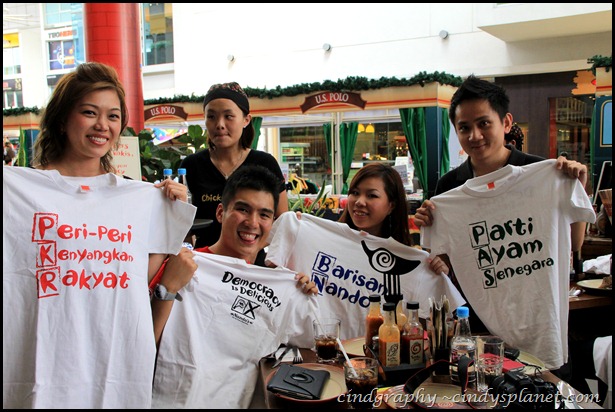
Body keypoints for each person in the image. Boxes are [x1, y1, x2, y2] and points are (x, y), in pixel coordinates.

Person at [3, 62, 196, 409]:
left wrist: (170, 213)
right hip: (39, 365)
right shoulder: (18, 193)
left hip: (112, 369)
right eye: (89, 112)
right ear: (62, 119)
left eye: (113, 116)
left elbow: (135, 279)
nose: (102, 126)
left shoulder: (138, 199)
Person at [414, 75, 594, 371]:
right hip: (479, 325)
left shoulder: (542, 173)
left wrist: (576, 188)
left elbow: (574, 244)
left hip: (541, 322)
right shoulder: (449, 187)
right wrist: (430, 227)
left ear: (506, 123)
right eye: (464, 127)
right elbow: (447, 263)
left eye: (484, 123)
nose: (475, 136)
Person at [150, 164, 316, 409]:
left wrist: (301, 295)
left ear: (272, 224)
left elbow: (312, 348)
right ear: (220, 212)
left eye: (264, 215)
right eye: (242, 209)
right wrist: (168, 289)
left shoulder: (279, 286)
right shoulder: (183, 264)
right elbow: (139, 347)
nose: (252, 222)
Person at [265, 163, 465, 339]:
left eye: (372, 195)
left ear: (391, 205)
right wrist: (294, 283)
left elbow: (431, 327)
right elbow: (271, 286)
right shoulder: (306, 233)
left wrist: (438, 273)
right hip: (316, 351)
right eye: (354, 192)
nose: (360, 201)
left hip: (376, 358)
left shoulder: (411, 264)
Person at [179, 82, 289, 261]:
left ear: (246, 120)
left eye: (228, 116)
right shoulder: (191, 166)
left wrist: (251, 249)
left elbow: (283, 221)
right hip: (206, 265)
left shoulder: (265, 163)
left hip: (252, 266)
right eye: (211, 116)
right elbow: (182, 223)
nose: (219, 124)